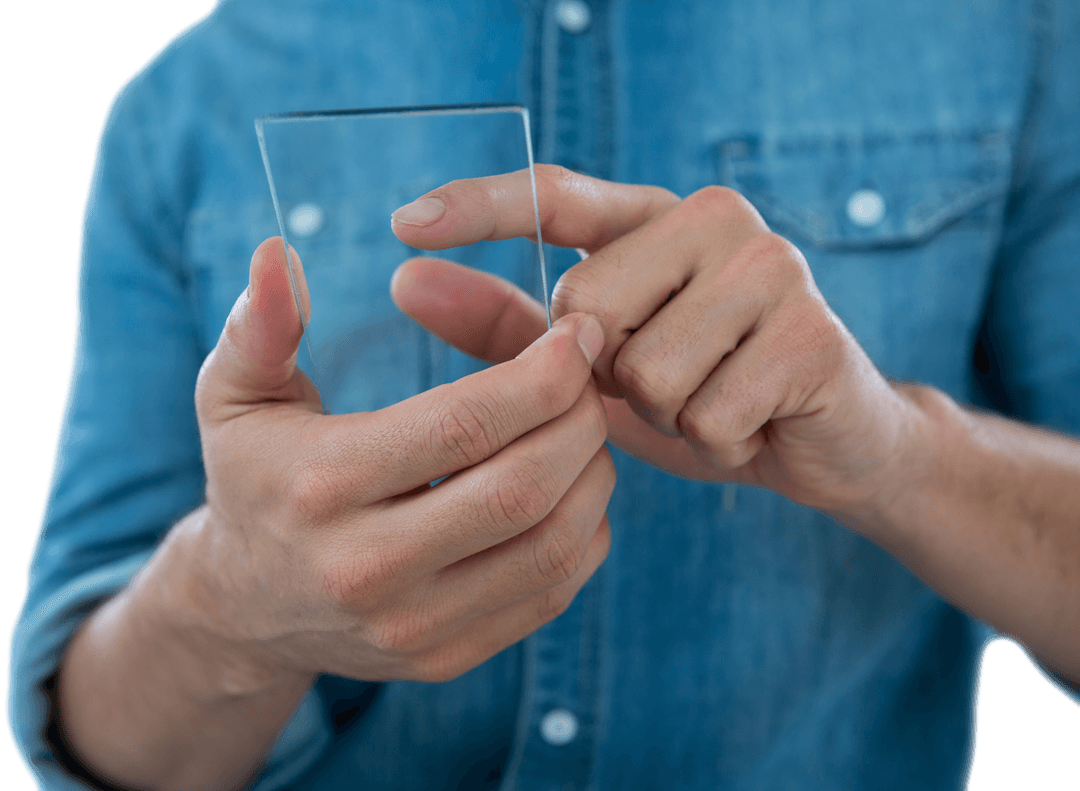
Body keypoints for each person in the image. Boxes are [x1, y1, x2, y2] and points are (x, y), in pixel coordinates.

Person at [7, 0, 1080, 789]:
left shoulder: (1009, 34)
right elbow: (88, 728)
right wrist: (232, 608)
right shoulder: (185, 97)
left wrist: (895, 450)